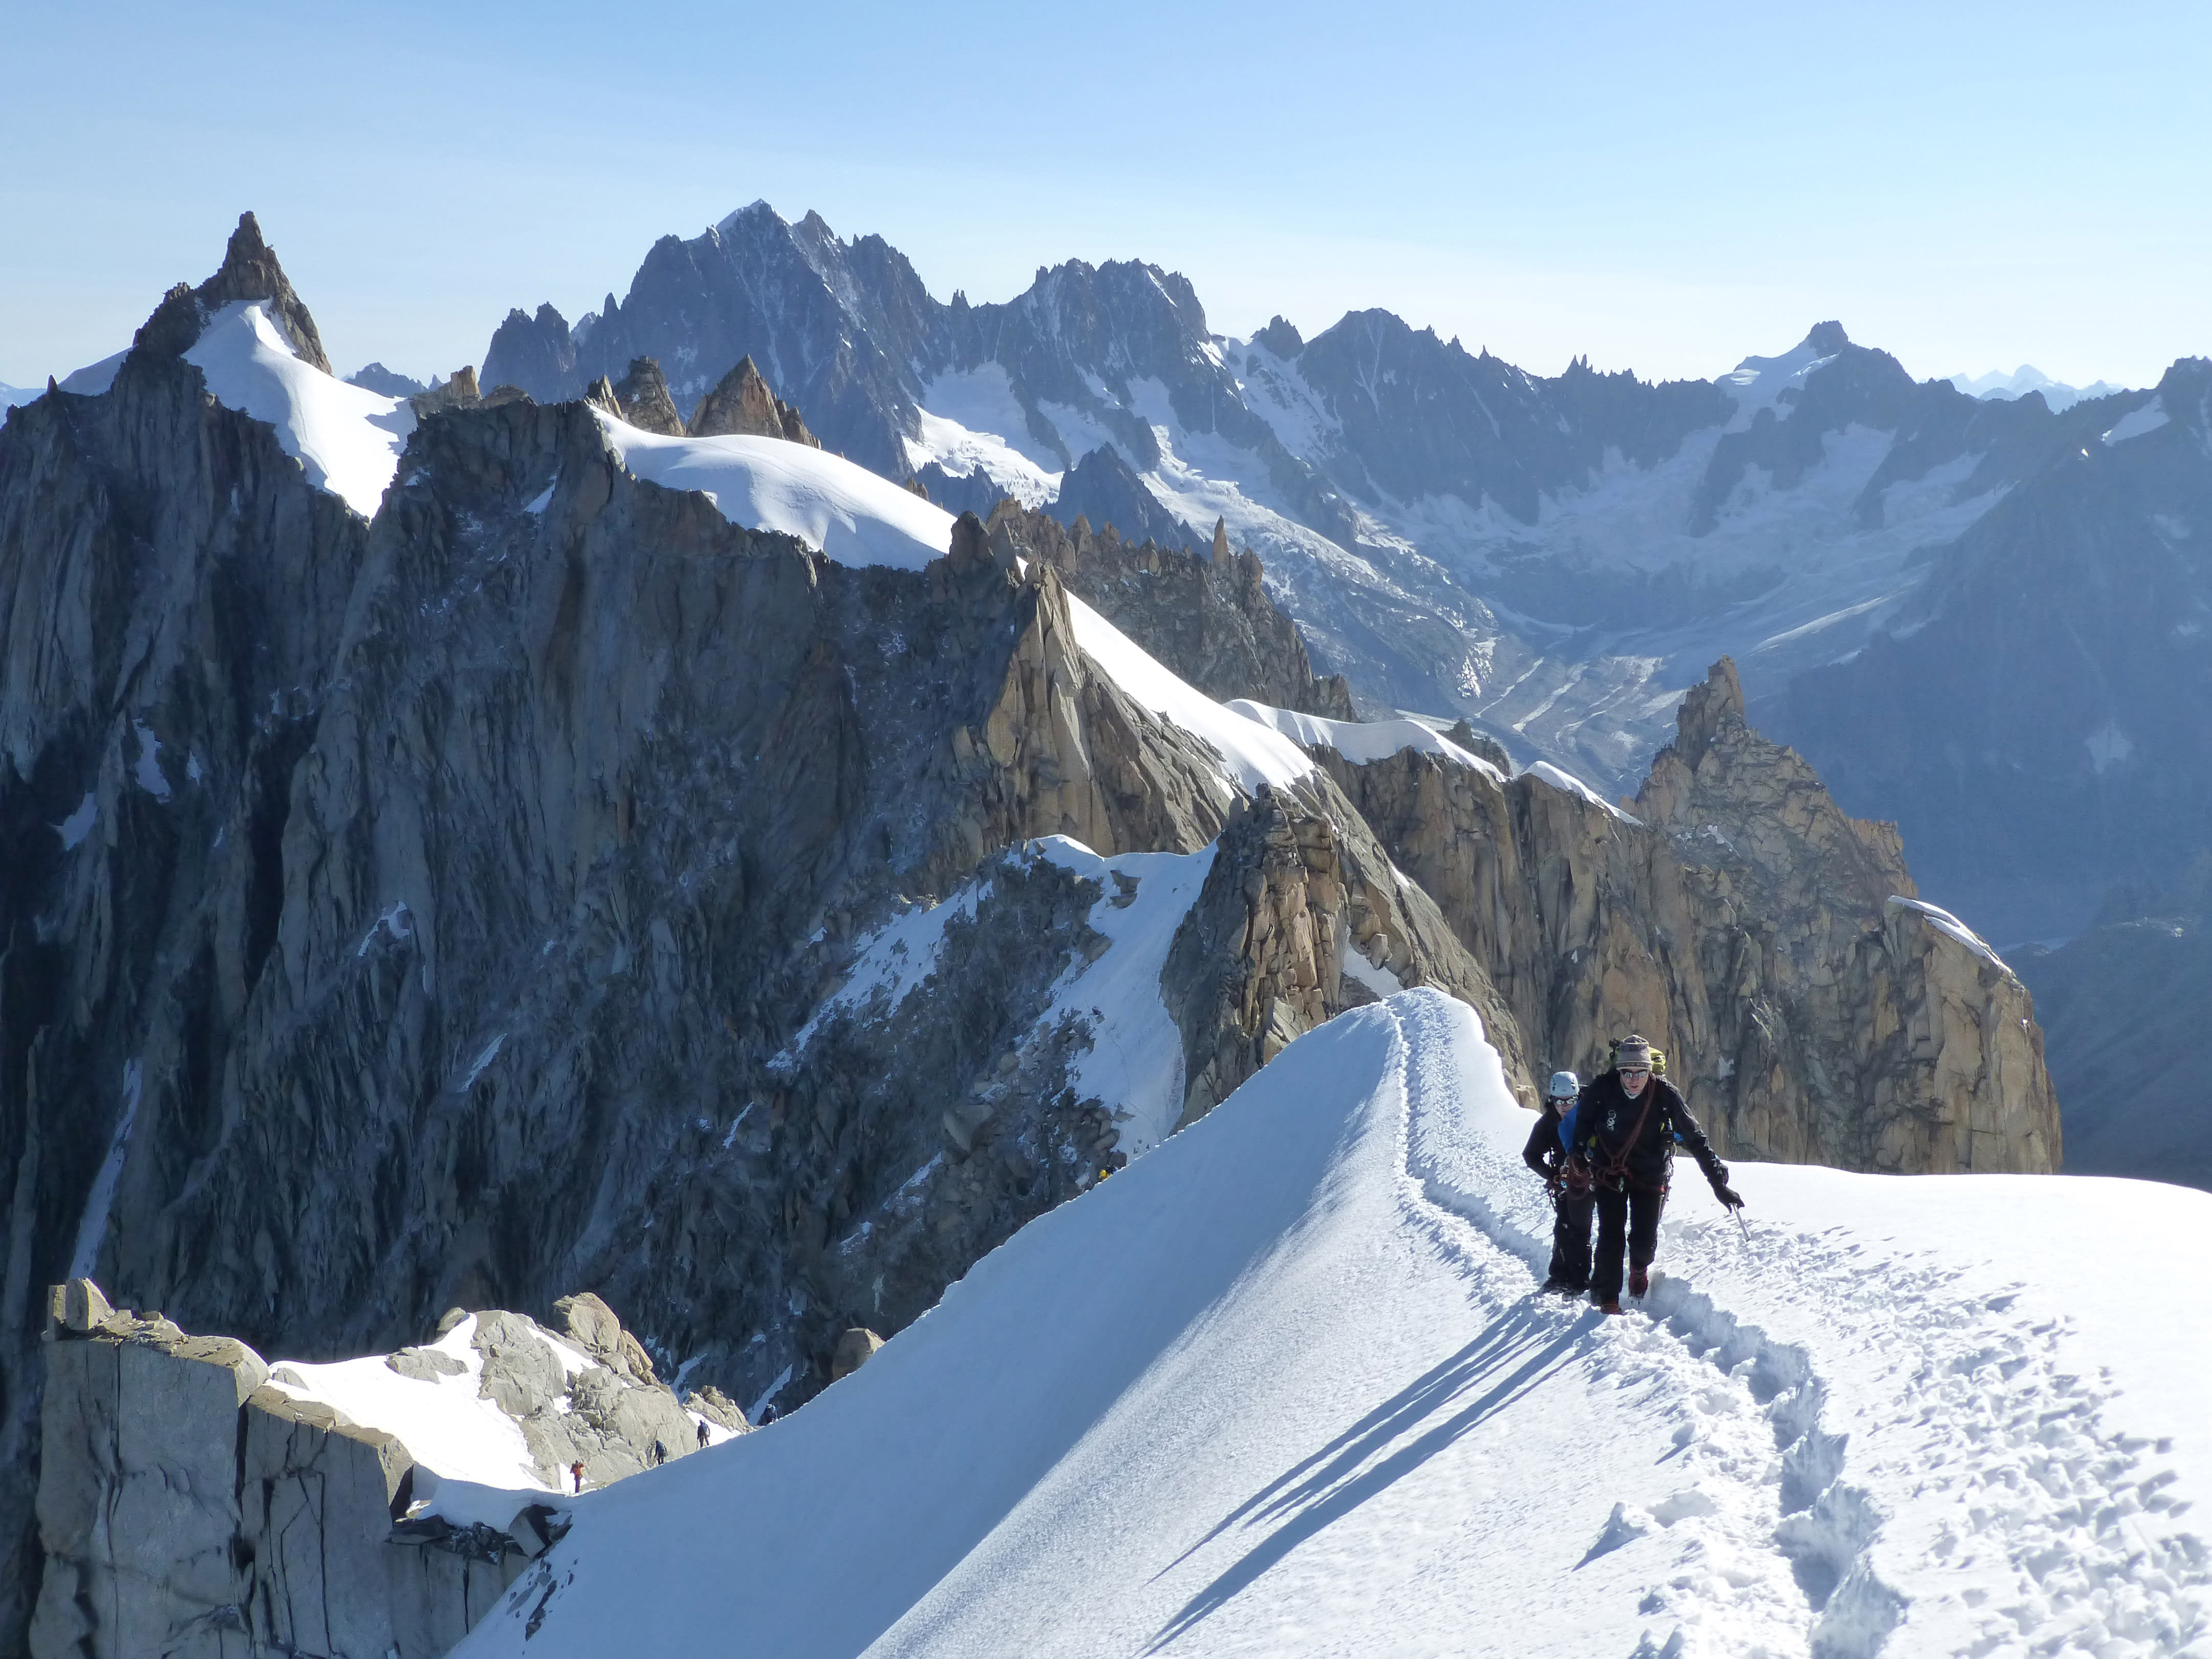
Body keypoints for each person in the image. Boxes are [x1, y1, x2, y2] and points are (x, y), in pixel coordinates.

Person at [1565, 1034, 1742, 1315]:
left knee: (1644, 1240)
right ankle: (1609, 1299)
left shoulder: (1665, 1094)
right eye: (1627, 1072)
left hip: (1650, 1175)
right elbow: (1584, 1124)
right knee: (1611, 1234)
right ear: (1619, 1071)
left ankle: (1639, 1266)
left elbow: (1696, 1139)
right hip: (1608, 1172)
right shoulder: (1602, 1089)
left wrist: (1718, 1185)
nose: (1634, 1079)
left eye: (1641, 1072)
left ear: (1650, 1071)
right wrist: (1578, 1155)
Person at [1521, 1070, 1592, 1295]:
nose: (1564, 1106)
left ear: (1578, 1096)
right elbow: (1531, 1154)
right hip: (1566, 1181)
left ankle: (1579, 1279)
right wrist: (1551, 1175)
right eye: (1559, 1101)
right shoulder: (1549, 1122)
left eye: (1570, 1100)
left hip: (1595, 1175)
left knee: (1579, 1228)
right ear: (1552, 1099)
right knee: (1565, 1226)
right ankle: (1562, 1275)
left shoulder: (1590, 1113)